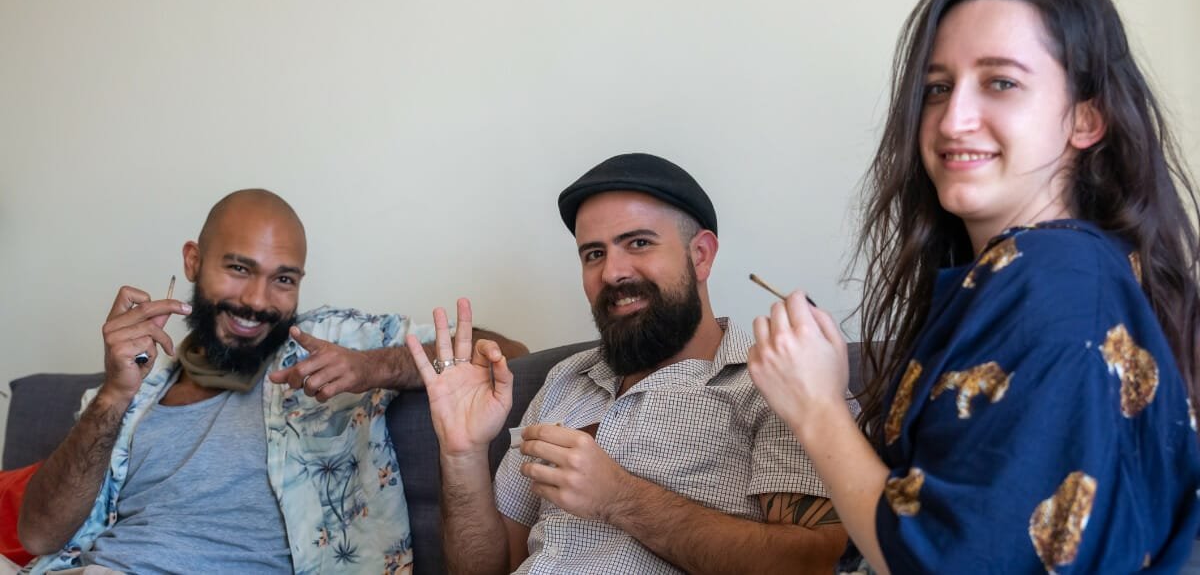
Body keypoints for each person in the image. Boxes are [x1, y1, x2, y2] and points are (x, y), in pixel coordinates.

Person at [747, 0, 1200, 573]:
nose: (953, 119)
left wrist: (817, 410)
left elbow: (950, 559)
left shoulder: (1057, 281)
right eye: (937, 88)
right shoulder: (1027, 276)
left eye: (1001, 82)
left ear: (1086, 118)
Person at [17, 189, 524, 574]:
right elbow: (39, 535)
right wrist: (113, 392)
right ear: (193, 261)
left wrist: (373, 367)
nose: (259, 301)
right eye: (239, 268)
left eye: (283, 279)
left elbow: (504, 355)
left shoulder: (329, 341)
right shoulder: (133, 392)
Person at [408, 152, 852, 574]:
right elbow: (487, 566)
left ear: (700, 255)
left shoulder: (781, 381)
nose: (613, 272)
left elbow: (811, 565)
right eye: (594, 254)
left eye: (638, 243)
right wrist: (461, 453)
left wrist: (618, 496)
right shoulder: (565, 381)